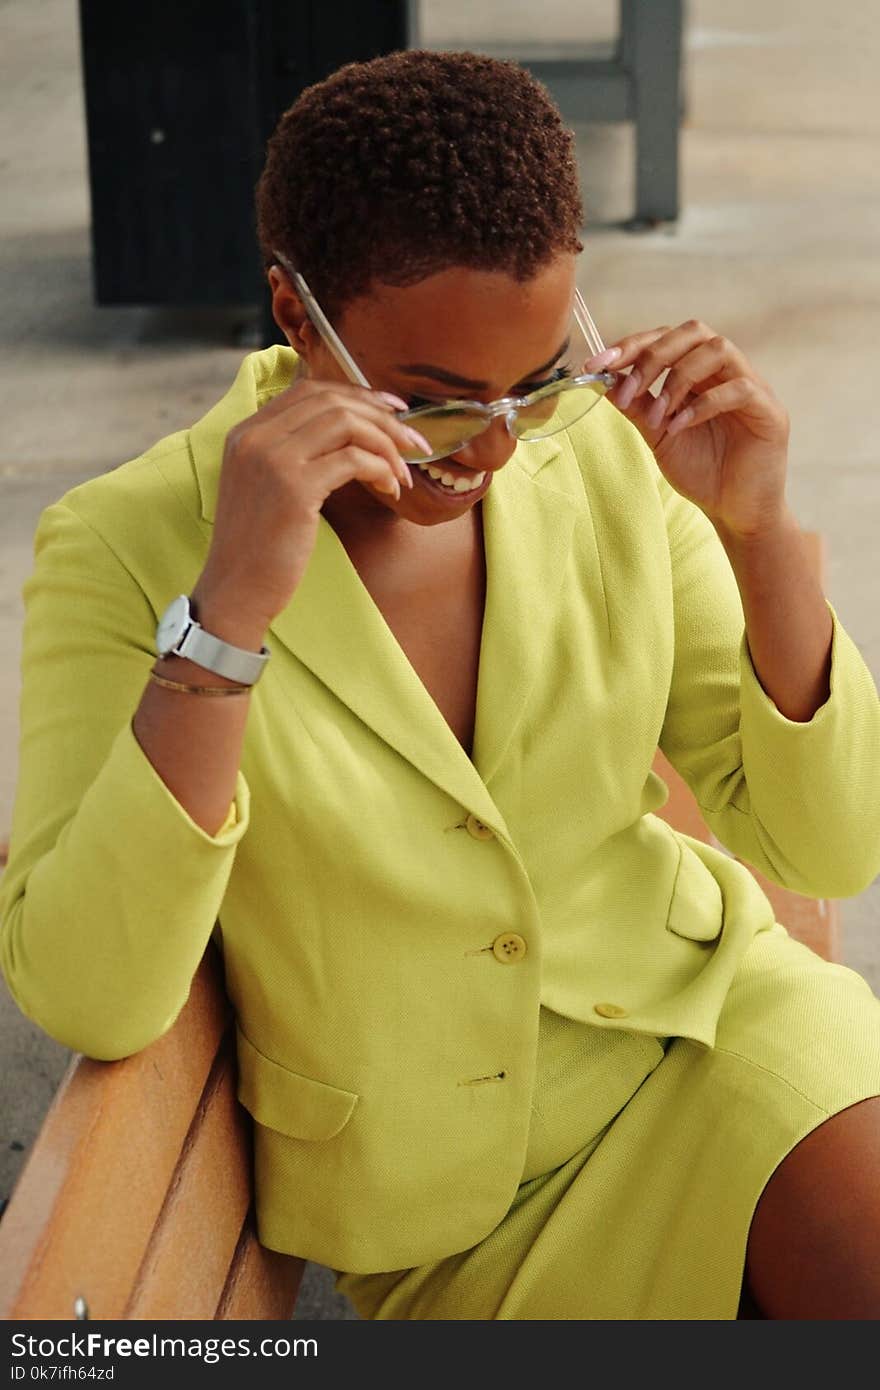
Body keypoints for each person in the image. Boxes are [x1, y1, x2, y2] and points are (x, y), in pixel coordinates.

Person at [1, 49, 879, 1322]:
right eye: (436, 400)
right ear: (297, 315)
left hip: (715, 1029)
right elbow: (90, 987)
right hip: (453, 1204)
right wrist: (227, 617)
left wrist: (757, 536)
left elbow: (828, 841)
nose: (497, 446)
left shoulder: (601, 462)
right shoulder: (129, 543)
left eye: (535, 382)